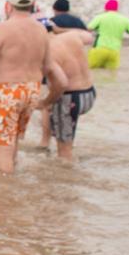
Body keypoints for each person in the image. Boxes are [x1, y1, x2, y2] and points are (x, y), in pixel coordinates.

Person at [0, 0, 66, 174]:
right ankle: (14, 181)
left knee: (3, 144)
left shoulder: (3, 28)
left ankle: (5, 192)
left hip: (8, 90)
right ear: (31, 5)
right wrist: (49, 97)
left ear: (8, 6)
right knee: (14, 140)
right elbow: (49, 66)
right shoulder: (41, 29)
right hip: (31, 90)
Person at [46, 30, 97, 161]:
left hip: (69, 99)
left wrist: (47, 101)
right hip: (89, 93)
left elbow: (62, 83)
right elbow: (90, 38)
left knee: (64, 152)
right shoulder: (72, 35)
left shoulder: (47, 51)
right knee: (68, 135)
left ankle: (66, 176)